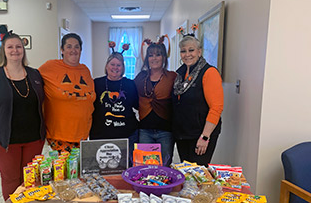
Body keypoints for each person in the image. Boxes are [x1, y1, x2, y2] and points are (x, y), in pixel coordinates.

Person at [0, 25, 46, 200]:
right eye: (10, 47)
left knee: (30, 178)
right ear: (4, 51)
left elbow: (43, 103)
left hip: (33, 139)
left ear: (23, 50)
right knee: (11, 179)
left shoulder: (35, 75)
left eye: (18, 47)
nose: (15, 50)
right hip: (5, 141)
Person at [172, 34, 224, 166]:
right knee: (186, 172)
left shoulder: (209, 73)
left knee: (198, 175)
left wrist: (205, 136)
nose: (187, 54)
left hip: (200, 135)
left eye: (191, 50)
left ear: (199, 52)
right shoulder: (180, 74)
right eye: (183, 51)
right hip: (183, 134)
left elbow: (216, 107)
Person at [38, 33, 95, 153]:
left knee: (78, 170)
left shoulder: (85, 70)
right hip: (60, 135)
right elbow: (31, 79)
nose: (73, 50)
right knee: (65, 170)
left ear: (80, 50)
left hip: (82, 135)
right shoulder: (50, 67)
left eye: (76, 47)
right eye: (69, 46)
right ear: (62, 50)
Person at [90, 44, 139, 166]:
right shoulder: (96, 83)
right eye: (112, 64)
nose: (115, 68)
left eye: (119, 65)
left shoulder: (130, 84)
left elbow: (138, 105)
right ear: (106, 66)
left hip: (127, 135)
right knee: (103, 168)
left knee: (126, 168)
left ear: (123, 68)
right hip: (101, 135)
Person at [134, 36, 177, 166]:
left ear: (164, 57)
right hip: (145, 130)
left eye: (158, 55)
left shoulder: (172, 77)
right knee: (145, 166)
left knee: (164, 166)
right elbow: (132, 97)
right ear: (147, 58)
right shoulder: (141, 77)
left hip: (165, 131)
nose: (154, 58)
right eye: (151, 55)